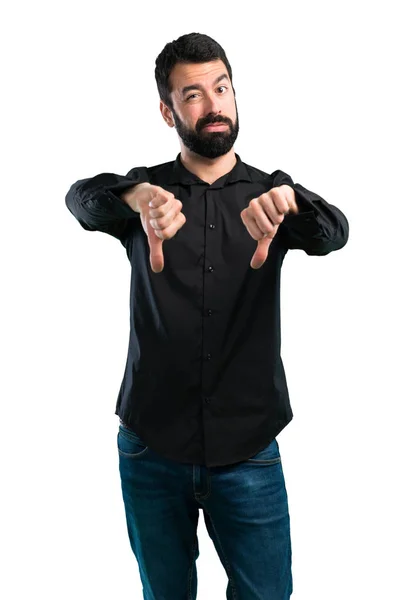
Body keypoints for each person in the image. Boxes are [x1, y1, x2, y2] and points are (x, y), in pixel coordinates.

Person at [65, 32, 349, 600]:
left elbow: (334, 233)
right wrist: (132, 198)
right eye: (192, 94)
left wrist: (295, 202)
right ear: (168, 112)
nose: (213, 103)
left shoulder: (272, 195)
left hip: (249, 449)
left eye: (221, 88)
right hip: (151, 446)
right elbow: (80, 199)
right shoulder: (147, 194)